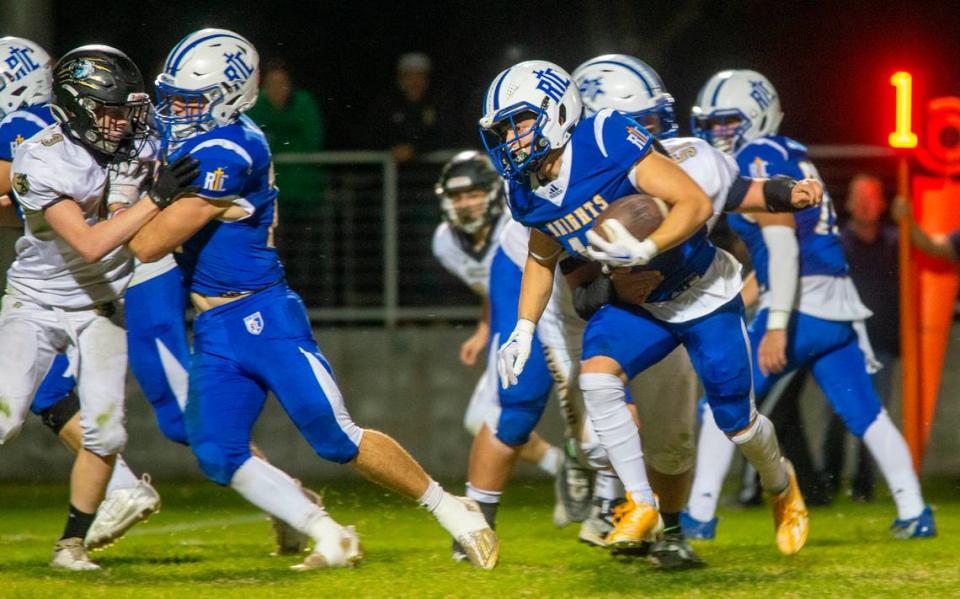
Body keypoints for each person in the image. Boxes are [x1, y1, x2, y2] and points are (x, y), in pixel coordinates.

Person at [128, 28, 497, 571]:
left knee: (334, 436)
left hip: (261, 313)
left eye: (189, 100)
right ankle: (327, 532)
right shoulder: (194, 137)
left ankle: (451, 508)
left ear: (229, 96)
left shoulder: (230, 148)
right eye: (173, 97)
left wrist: (139, 196)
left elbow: (148, 242)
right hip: (212, 327)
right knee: (216, 451)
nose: (175, 111)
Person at [481, 60, 819, 556]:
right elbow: (544, 255)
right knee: (596, 378)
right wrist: (523, 328)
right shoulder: (527, 187)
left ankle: (780, 485)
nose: (512, 138)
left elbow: (711, 201)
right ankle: (640, 503)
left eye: (521, 122)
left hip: (701, 291)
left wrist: (785, 192)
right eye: (504, 128)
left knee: (737, 423)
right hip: (639, 306)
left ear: (561, 111)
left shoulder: (610, 137)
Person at [682, 69, 935, 540]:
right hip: (838, 304)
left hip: (801, 305)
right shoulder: (790, 153)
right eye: (711, 124)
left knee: (722, 399)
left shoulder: (756, 157)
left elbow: (782, 248)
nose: (717, 134)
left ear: (757, 116)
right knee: (867, 414)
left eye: (726, 122)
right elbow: (780, 256)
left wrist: (777, 323)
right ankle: (915, 511)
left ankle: (698, 516)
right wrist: (741, 302)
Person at [0, 44, 196, 570]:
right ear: (76, 107)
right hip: (36, 303)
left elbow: (126, 199)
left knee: (107, 430)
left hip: (101, 304)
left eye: (124, 110)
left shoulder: (137, 141)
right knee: (5, 417)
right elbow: (90, 244)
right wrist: (156, 200)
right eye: (108, 111)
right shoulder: (39, 155)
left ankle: (71, 545)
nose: (120, 122)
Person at [433, 150, 594, 560]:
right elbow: (492, 288)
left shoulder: (516, 214)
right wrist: (489, 327)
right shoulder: (446, 242)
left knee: (593, 405)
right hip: (518, 305)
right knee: (508, 409)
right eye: (458, 196)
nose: (465, 203)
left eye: (472, 193)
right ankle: (555, 473)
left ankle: (600, 489)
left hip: (561, 297)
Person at [827, 174, 901, 501]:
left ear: (882, 203)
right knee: (839, 413)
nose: (865, 204)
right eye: (859, 197)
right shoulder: (838, 244)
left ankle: (864, 484)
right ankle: (829, 480)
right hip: (846, 344)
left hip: (883, 342)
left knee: (876, 414)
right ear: (848, 203)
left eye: (872, 197)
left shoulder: (897, 242)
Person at [245, 60, 326, 303]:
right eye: (272, 84)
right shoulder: (257, 106)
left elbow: (313, 141)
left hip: (306, 198)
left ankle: (308, 305)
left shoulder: (304, 103)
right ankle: (275, 302)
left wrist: (277, 138)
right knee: (274, 255)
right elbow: (255, 145)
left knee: (308, 259)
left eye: (282, 83)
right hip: (270, 200)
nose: (278, 89)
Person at [372, 52, 441, 162]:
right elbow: (373, 136)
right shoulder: (386, 106)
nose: (415, 82)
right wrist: (392, 148)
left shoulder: (438, 105)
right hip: (392, 173)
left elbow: (443, 136)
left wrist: (415, 149)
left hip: (429, 172)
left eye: (420, 76)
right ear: (399, 79)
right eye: (409, 76)